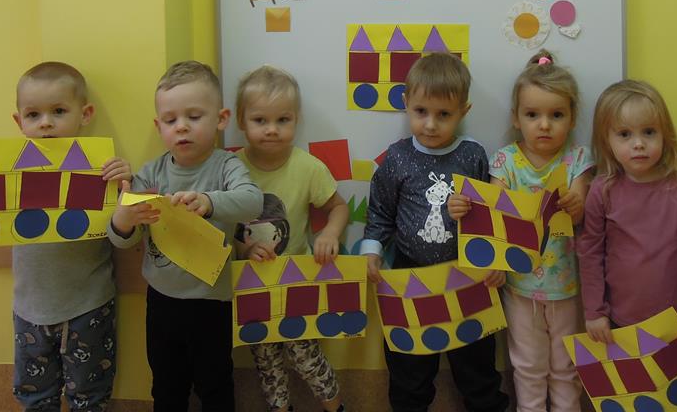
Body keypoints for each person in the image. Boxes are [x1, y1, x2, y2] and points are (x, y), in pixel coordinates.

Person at [0, 61, 130, 412]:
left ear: (85, 114)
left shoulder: (104, 170)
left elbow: (123, 239)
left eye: (58, 111)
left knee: (89, 398)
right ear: (19, 121)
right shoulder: (7, 170)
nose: (45, 123)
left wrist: (124, 193)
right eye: (33, 114)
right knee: (35, 397)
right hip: (30, 309)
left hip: (89, 307)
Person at [108, 61, 263, 412]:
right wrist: (123, 217)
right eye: (170, 120)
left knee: (215, 384)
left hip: (212, 302)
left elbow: (253, 201)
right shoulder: (151, 173)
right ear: (158, 126)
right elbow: (122, 241)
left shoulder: (226, 165)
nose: (181, 127)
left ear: (221, 119)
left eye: (194, 116)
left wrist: (209, 201)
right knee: (166, 385)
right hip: (162, 302)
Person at [361, 52, 509, 412]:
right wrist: (371, 250)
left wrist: (490, 249)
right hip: (409, 273)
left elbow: (492, 215)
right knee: (409, 367)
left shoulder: (473, 155)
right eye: (421, 111)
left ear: (464, 111)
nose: (430, 124)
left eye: (444, 114)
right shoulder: (396, 157)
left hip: (466, 274)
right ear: (406, 103)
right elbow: (380, 211)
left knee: (476, 365)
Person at [232, 65, 349, 412]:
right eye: (260, 120)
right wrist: (246, 249)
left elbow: (339, 207)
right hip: (251, 285)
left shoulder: (307, 167)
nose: (272, 129)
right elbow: (222, 224)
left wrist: (330, 233)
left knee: (307, 358)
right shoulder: (230, 168)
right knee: (267, 364)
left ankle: (336, 407)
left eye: (283, 120)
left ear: (296, 120)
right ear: (241, 121)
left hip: (297, 284)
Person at [484, 51, 594, 412]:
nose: (544, 125)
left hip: (567, 287)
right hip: (520, 287)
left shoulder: (578, 159)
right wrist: (495, 261)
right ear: (516, 118)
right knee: (528, 367)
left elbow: (580, 210)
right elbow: (494, 218)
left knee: (565, 368)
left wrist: (575, 204)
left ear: (572, 118)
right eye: (533, 115)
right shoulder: (505, 161)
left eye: (556, 115)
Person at [577, 79, 677, 346]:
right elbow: (590, 255)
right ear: (606, 140)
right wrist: (594, 311)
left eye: (649, 132)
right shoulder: (602, 191)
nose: (638, 143)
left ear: (665, 134)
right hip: (618, 324)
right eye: (624, 134)